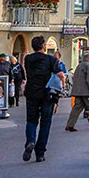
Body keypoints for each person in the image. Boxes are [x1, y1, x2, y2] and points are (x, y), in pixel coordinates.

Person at [22, 35, 61, 163]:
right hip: (46, 94)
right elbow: (59, 74)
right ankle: (40, 153)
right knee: (45, 123)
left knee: (31, 121)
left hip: (32, 93)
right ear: (43, 46)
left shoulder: (28, 59)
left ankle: (30, 141)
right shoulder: (50, 59)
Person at [64, 51, 89, 132]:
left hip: (78, 91)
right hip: (86, 92)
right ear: (88, 56)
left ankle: (70, 124)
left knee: (76, 108)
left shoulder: (80, 65)